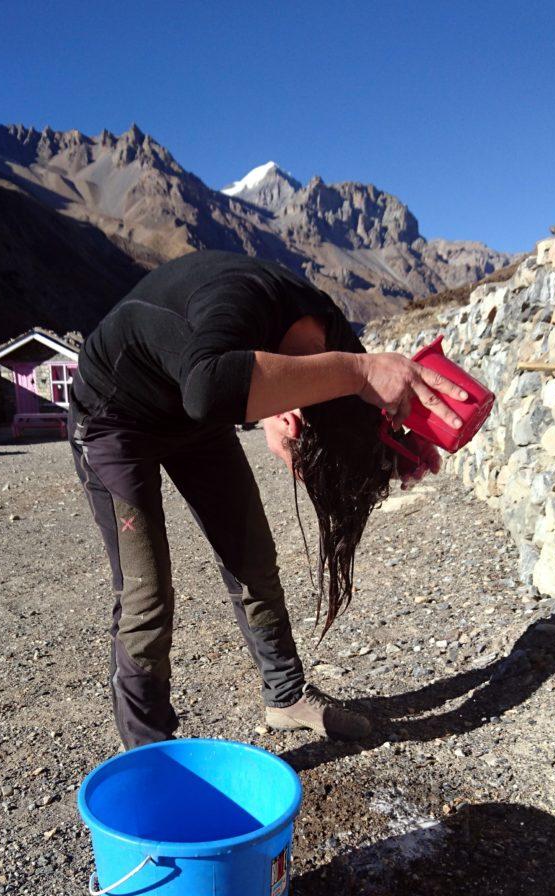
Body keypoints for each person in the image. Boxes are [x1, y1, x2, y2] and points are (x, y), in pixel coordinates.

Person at [68, 250, 464, 750]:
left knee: (252, 557)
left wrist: (394, 448)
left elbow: (334, 395)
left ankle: (285, 696)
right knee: (147, 593)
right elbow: (209, 389)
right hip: (114, 421)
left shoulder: (321, 320)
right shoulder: (236, 298)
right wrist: (356, 374)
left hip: (194, 422)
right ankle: (148, 756)